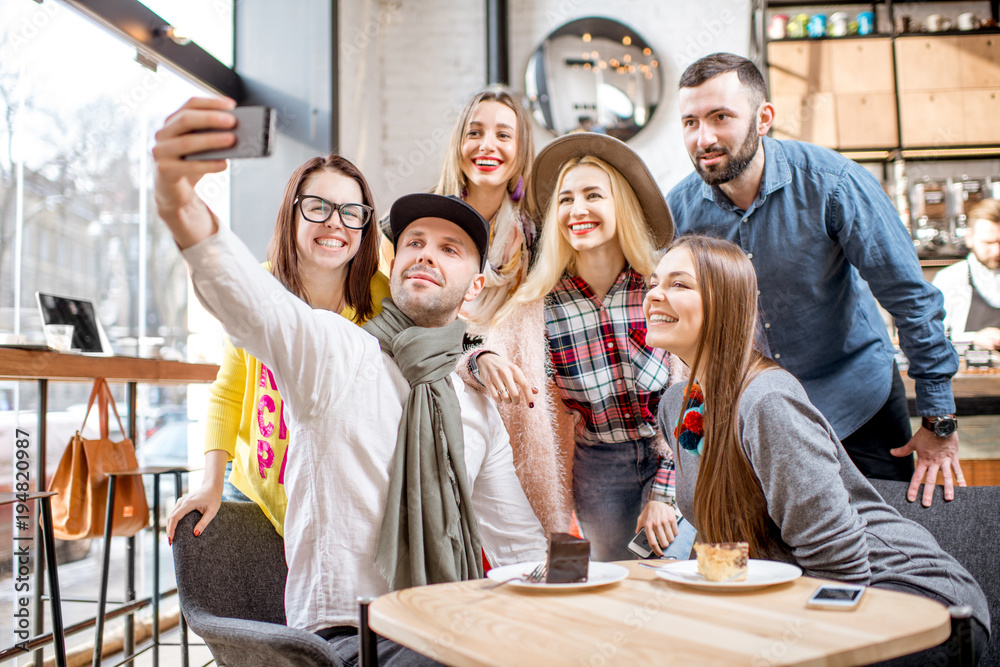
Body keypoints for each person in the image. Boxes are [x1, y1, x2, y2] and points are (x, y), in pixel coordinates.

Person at [153, 97, 545, 665]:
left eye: (449, 248)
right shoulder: (335, 353)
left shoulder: (474, 403)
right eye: (413, 243)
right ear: (395, 259)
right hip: (352, 635)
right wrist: (178, 200)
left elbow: (519, 546)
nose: (425, 256)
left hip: (451, 618)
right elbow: (245, 299)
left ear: (476, 284)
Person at [646, 235, 990, 664]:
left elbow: (839, 564)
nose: (655, 294)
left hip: (907, 600)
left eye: (679, 284)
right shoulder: (678, 403)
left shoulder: (766, 400)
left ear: (725, 304)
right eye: (654, 282)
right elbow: (730, 548)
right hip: (811, 591)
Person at [666, 52, 962, 507]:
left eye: (720, 117)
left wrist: (939, 420)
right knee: (783, 556)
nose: (703, 138)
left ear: (764, 118)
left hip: (857, 404)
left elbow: (912, 300)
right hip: (758, 414)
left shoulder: (835, 184)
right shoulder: (681, 210)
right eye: (690, 122)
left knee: (894, 543)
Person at [490, 132, 694, 561]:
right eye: (565, 199)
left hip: (677, 454)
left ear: (620, 204)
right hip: (598, 470)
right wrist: (481, 359)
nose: (577, 210)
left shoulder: (660, 287)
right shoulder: (539, 307)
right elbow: (473, 348)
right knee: (617, 589)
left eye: (592, 195)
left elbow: (701, 387)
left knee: (674, 582)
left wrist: (665, 489)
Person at [166, 154, 390, 543]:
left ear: (365, 225)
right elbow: (228, 392)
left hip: (341, 502)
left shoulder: (381, 297)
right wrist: (210, 482)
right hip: (257, 495)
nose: (335, 221)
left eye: (351, 211)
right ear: (292, 213)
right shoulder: (260, 286)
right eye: (318, 207)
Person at [433, 88, 572, 533]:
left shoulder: (537, 237)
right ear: (459, 144)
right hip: (444, 388)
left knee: (524, 544)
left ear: (520, 150)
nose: (487, 146)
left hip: (518, 399)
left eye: (503, 135)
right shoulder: (424, 224)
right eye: (475, 132)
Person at [933, 199, 1000, 350]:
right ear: (970, 238)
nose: (997, 251)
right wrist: (973, 339)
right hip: (969, 371)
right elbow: (932, 339)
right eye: (988, 243)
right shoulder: (950, 278)